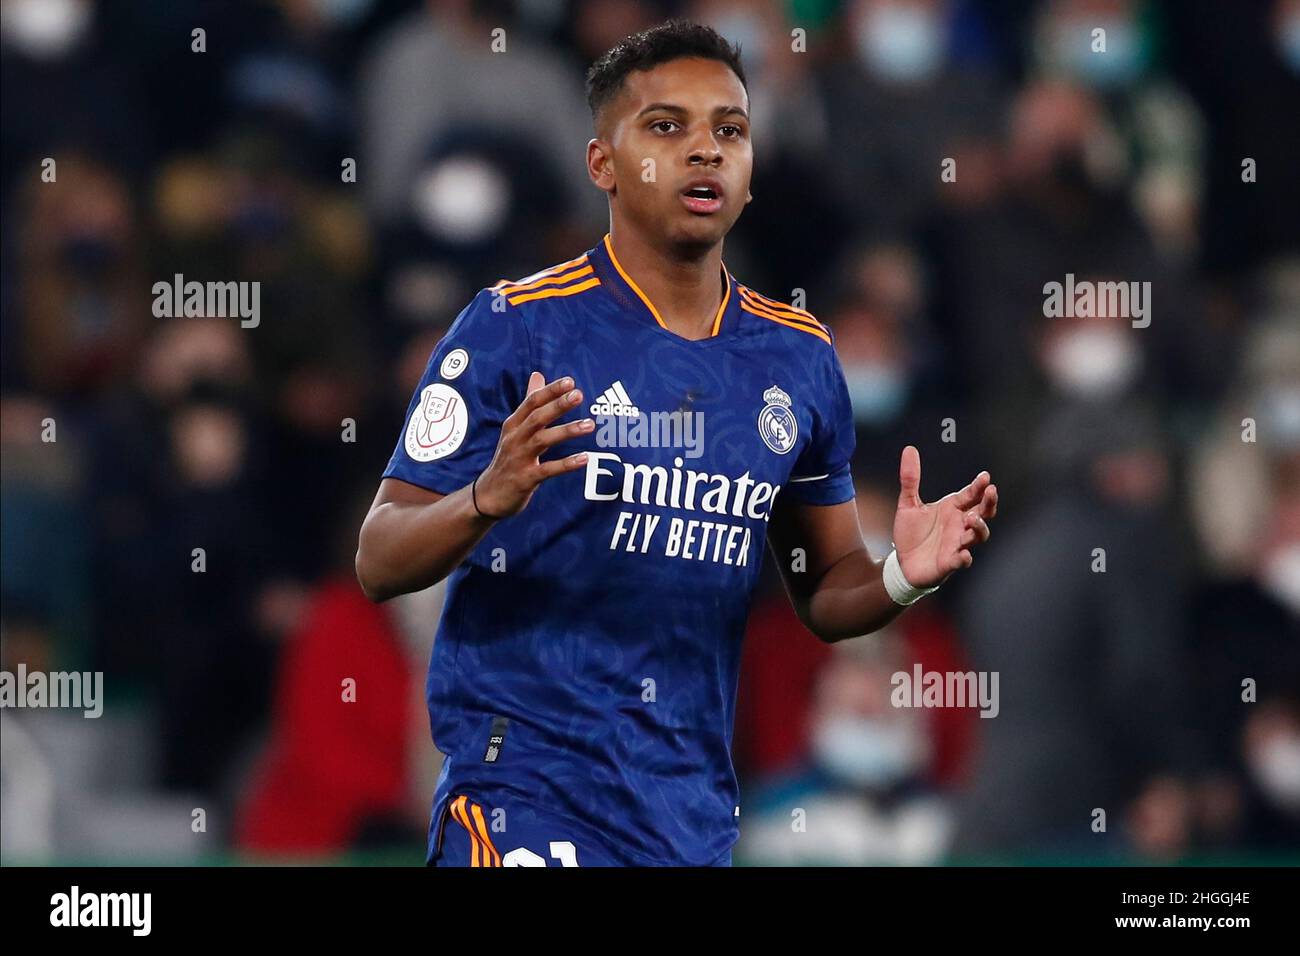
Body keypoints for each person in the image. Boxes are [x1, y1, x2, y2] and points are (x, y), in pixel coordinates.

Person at [354, 19, 998, 867]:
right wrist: (484, 499)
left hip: (684, 820)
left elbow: (825, 591)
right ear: (602, 166)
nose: (706, 152)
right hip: (521, 799)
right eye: (668, 127)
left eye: (729, 130)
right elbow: (379, 556)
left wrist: (898, 576)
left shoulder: (796, 358)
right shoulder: (517, 329)